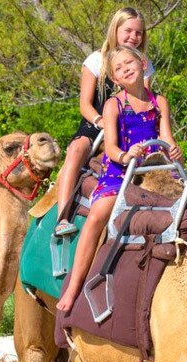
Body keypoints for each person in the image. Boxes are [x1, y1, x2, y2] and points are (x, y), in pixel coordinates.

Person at [55, 45, 180, 313]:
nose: (126, 69)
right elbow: (110, 147)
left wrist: (174, 150)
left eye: (129, 63)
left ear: (143, 63)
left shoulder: (160, 101)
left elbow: (167, 137)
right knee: (98, 213)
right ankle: (74, 284)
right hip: (121, 170)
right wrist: (125, 156)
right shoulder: (114, 104)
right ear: (115, 79)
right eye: (119, 69)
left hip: (153, 167)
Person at [52, 7, 153, 237]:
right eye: (128, 31)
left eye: (138, 33)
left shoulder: (145, 64)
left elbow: (145, 102)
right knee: (77, 148)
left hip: (131, 125)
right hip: (96, 123)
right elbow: (85, 104)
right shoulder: (97, 60)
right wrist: (102, 122)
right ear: (115, 30)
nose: (133, 37)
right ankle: (63, 216)